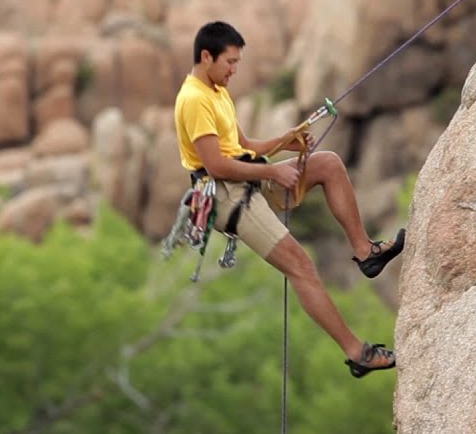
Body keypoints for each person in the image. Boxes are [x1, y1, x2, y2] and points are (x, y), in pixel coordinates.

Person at [172, 20, 404, 378]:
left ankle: (366, 253)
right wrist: (273, 173)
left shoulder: (216, 91)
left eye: (236, 62)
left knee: (328, 165)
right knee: (301, 266)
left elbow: (244, 146)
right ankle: (357, 353)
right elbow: (216, 165)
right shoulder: (193, 100)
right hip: (227, 196)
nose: (234, 70)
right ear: (206, 57)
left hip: (246, 177)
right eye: (230, 62)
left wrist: (286, 143)